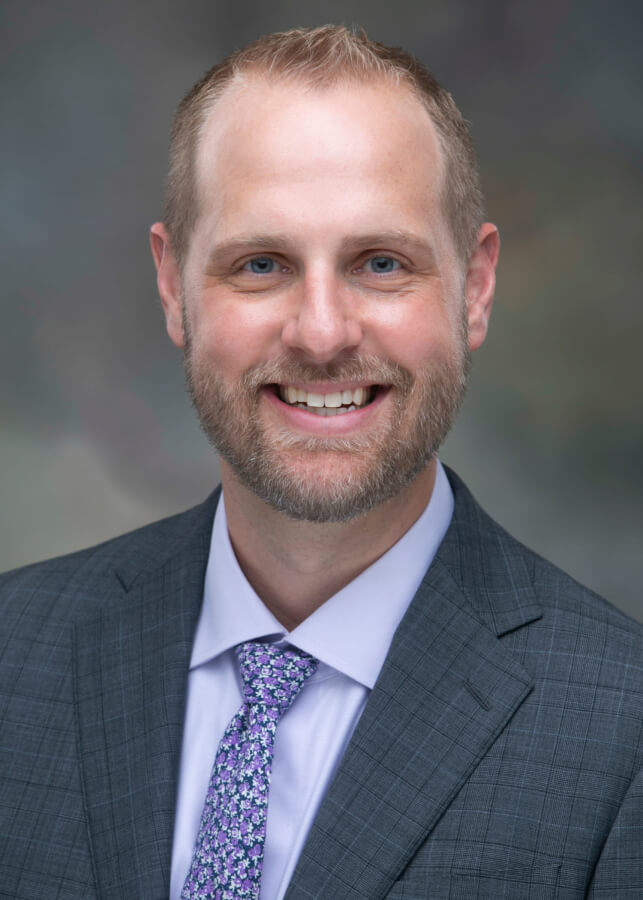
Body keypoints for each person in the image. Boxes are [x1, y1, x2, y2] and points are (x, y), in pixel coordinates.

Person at [1, 24, 641, 900]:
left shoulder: (622, 733)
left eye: (381, 263)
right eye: (259, 265)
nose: (322, 332)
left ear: (475, 288)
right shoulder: (12, 654)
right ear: (171, 286)